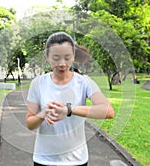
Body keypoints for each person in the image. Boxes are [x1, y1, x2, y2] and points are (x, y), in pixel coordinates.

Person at [26, 32, 115, 166]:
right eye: (56, 58)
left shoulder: (84, 82)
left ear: (73, 56)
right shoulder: (38, 83)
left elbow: (108, 112)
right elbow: (29, 123)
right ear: (47, 57)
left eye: (67, 58)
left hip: (76, 161)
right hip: (43, 160)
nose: (62, 64)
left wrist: (69, 109)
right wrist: (43, 114)